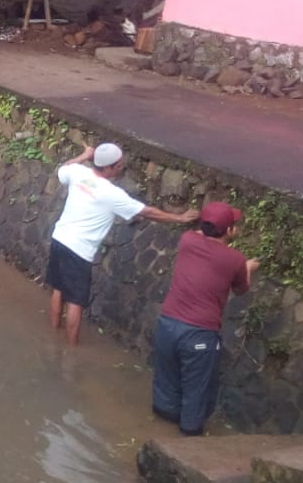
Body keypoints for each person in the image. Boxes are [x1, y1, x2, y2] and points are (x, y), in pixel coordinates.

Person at [47, 143, 199, 345]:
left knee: (59, 289)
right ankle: (70, 350)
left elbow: (64, 168)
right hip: (79, 251)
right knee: (75, 301)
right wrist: (179, 218)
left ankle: (53, 335)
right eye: (118, 165)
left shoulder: (77, 172)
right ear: (108, 167)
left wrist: (83, 155)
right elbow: (147, 212)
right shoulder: (112, 194)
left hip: (59, 239)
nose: (121, 167)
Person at [152, 202, 258, 436]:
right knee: (197, 393)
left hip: (167, 324)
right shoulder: (235, 259)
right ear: (229, 231)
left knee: (166, 383)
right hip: (198, 334)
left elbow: (204, 235)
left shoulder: (187, 240)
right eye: (234, 225)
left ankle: (159, 430)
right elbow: (241, 289)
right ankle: (189, 445)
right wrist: (248, 267)